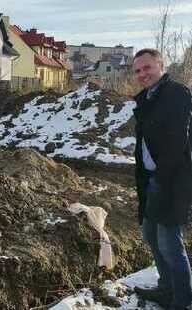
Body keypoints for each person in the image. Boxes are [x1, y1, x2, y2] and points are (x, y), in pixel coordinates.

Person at [132, 48, 192, 310]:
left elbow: (178, 142)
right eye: (137, 70)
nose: (142, 74)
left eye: (147, 68)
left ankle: (181, 300)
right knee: (150, 236)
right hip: (150, 180)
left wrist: (162, 180)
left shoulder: (176, 94)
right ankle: (166, 288)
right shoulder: (146, 98)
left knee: (169, 242)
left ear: (160, 66)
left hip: (172, 180)